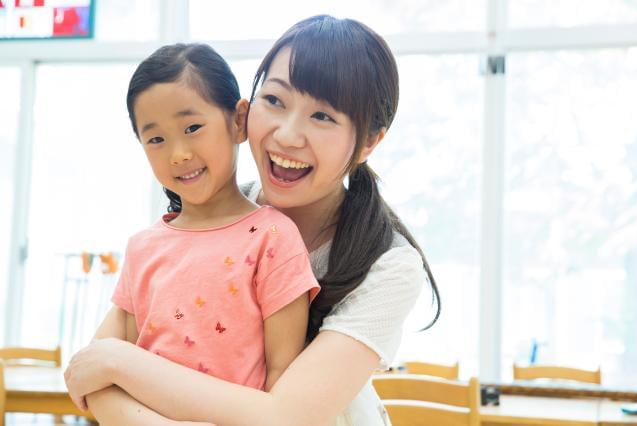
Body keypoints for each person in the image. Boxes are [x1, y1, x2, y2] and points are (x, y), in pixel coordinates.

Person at [64, 15, 440, 426]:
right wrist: (115, 372)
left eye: (323, 117)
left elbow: (287, 416)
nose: (287, 135)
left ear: (369, 141)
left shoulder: (389, 265)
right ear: (244, 113)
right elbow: (89, 373)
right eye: (275, 101)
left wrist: (120, 361)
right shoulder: (206, 212)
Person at [65, 42, 320, 423]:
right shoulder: (143, 248)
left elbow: (281, 379)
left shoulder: (273, 238)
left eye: (192, 127)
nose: (178, 153)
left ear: (238, 121)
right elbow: (95, 370)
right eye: (156, 139)